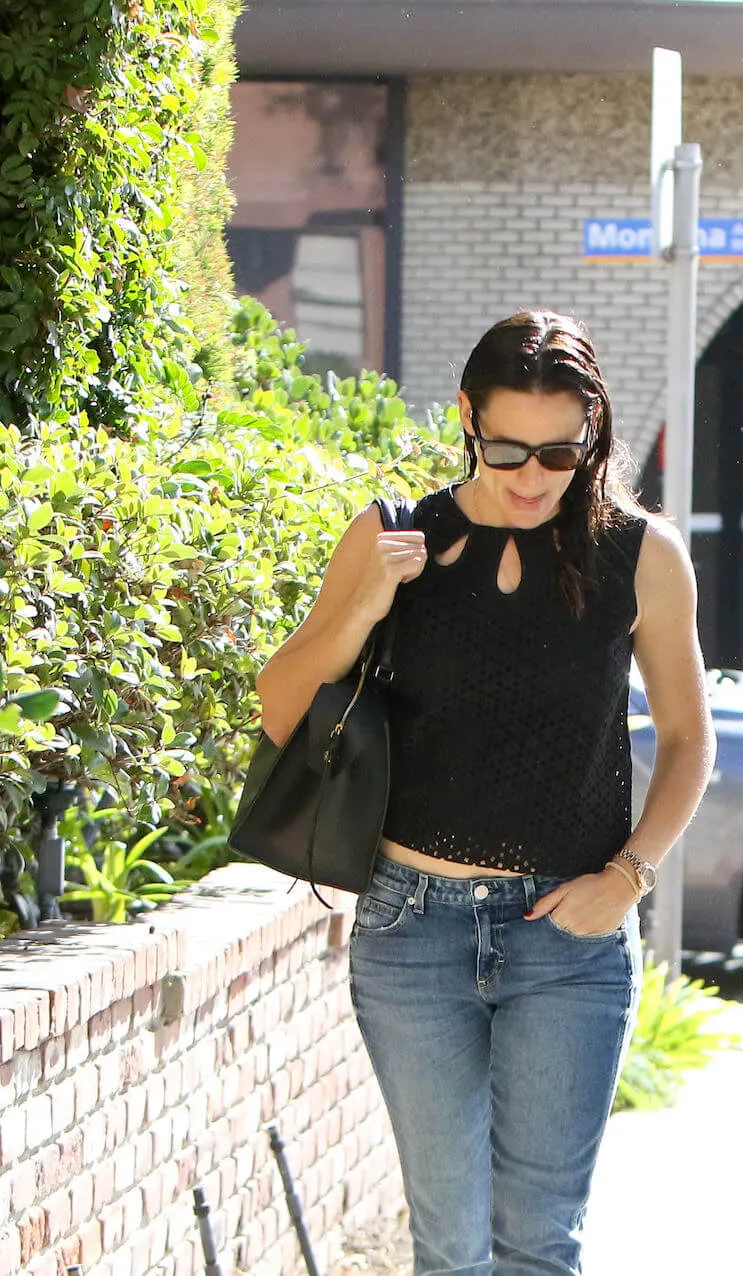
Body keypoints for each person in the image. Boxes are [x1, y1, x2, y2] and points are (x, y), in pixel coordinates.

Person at [256, 310, 714, 1275]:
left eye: (559, 454)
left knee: (540, 1244)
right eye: (507, 449)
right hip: (411, 929)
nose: (531, 478)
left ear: (591, 434)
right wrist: (361, 606)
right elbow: (282, 708)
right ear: (467, 416)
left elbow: (686, 738)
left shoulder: (642, 553)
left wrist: (630, 877)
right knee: (451, 1247)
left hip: (572, 938)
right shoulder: (395, 537)